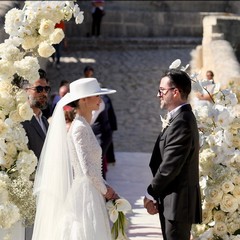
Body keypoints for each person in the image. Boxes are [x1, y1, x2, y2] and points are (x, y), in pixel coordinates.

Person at [32, 78, 119, 240]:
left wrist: (104, 187)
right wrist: (106, 191)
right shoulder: (79, 128)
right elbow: (87, 169)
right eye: (96, 96)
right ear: (84, 100)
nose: (100, 99)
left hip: (92, 189)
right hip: (85, 192)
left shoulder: (84, 125)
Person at [144, 69, 202, 240]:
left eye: (162, 90)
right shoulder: (178, 118)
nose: (158, 95)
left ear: (175, 92)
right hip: (172, 203)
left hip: (178, 205)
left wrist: (150, 193)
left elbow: (170, 166)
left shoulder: (182, 122)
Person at [21, 69, 50, 240]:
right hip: (28, 197)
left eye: (46, 89)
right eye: (39, 89)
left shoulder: (45, 121)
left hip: (45, 195)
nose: (44, 93)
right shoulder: (20, 122)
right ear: (26, 90)